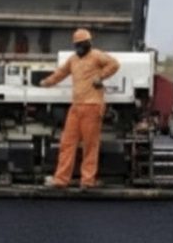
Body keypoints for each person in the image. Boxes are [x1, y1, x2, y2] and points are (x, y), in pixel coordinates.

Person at [38, 28, 120, 189]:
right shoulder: (73, 60)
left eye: (83, 44)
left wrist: (100, 76)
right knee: (67, 144)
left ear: (89, 43)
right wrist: (46, 82)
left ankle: (87, 181)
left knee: (90, 145)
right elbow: (60, 73)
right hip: (76, 107)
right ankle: (61, 180)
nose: (80, 47)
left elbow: (114, 64)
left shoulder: (97, 55)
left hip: (92, 106)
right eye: (78, 45)